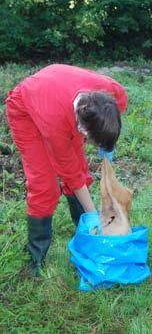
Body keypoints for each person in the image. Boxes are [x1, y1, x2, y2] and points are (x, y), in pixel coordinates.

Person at [5, 64, 128, 276]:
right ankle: (36, 259)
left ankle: (84, 235)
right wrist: (93, 215)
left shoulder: (112, 92)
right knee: (44, 185)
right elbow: (70, 173)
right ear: (81, 127)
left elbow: (116, 109)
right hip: (25, 109)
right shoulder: (55, 123)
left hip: (56, 95)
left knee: (81, 169)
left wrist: (107, 143)